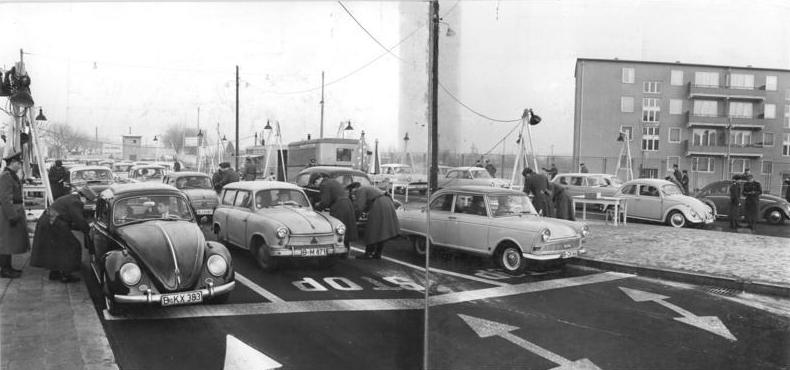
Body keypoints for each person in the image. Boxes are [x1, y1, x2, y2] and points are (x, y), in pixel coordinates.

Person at [30, 187, 95, 283]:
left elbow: (70, 217)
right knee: (72, 246)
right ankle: (66, 274)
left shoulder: (70, 198)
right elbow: (79, 220)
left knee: (55, 247)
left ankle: (54, 272)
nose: (86, 203)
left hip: (48, 221)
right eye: (87, 200)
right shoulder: (76, 202)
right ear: (83, 197)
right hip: (55, 222)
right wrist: (88, 231)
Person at [348, 183, 399, 259]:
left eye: (352, 191)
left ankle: (368, 253)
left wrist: (354, 219)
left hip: (379, 204)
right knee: (382, 230)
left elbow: (359, 207)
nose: (353, 194)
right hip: (387, 203)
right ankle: (378, 253)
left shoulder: (360, 190)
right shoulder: (368, 188)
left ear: (355, 188)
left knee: (372, 230)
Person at [312, 174, 358, 255]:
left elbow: (325, 201)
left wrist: (316, 207)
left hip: (339, 206)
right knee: (345, 228)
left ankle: (339, 252)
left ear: (317, 180)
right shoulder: (332, 181)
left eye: (315, 184)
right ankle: (346, 251)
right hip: (347, 204)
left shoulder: (324, 185)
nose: (316, 186)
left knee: (337, 228)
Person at [0, 152, 29, 278]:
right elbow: (5, 198)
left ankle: (8, 267)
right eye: (18, 163)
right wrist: (12, 216)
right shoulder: (6, 176)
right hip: (7, 213)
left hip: (12, 211)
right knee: (6, 242)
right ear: (12, 163)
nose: (20, 166)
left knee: (9, 242)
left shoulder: (10, 175)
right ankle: (5, 270)